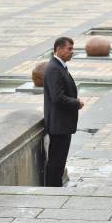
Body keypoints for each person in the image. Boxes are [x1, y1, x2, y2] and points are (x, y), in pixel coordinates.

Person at [44, 37, 84, 187]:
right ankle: (52, 190)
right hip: (59, 125)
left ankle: (54, 187)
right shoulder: (54, 68)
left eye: (72, 49)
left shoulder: (60, 66)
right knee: (56, 162)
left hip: (62, 124)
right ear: (59, 49)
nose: (72, 52)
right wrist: (77, 103)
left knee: (59, 161)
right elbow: (57, 97)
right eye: (69, 49)